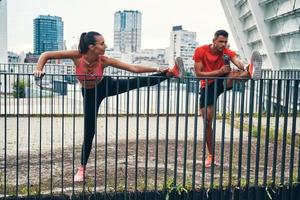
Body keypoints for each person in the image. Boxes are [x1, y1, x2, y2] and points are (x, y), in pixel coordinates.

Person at [33, 31, 185, 182]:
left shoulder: (104, 60)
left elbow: (132, 68)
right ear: (92, 47)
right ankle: (82, 169)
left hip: (106, 85)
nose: (105, 46)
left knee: (137, 82)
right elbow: (46, 55)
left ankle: (170, 73)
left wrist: (156, 69)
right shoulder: (76, 55)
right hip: (90, 94)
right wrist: (39, 69)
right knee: (89, 131)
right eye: (102, 43)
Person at [193, 30, 260, 168]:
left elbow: (236, 60)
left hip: (223, 81)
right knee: (207, 122)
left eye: (225, 42)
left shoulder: (226, 52)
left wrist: (245, 66)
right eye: (221, 42)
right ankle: (210, 156)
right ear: (214, 40)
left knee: (238, 73)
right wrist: (219, 72)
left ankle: (250, 70)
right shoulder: (201, 51)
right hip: (207, 85)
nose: (223, 44)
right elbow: (199, 74)